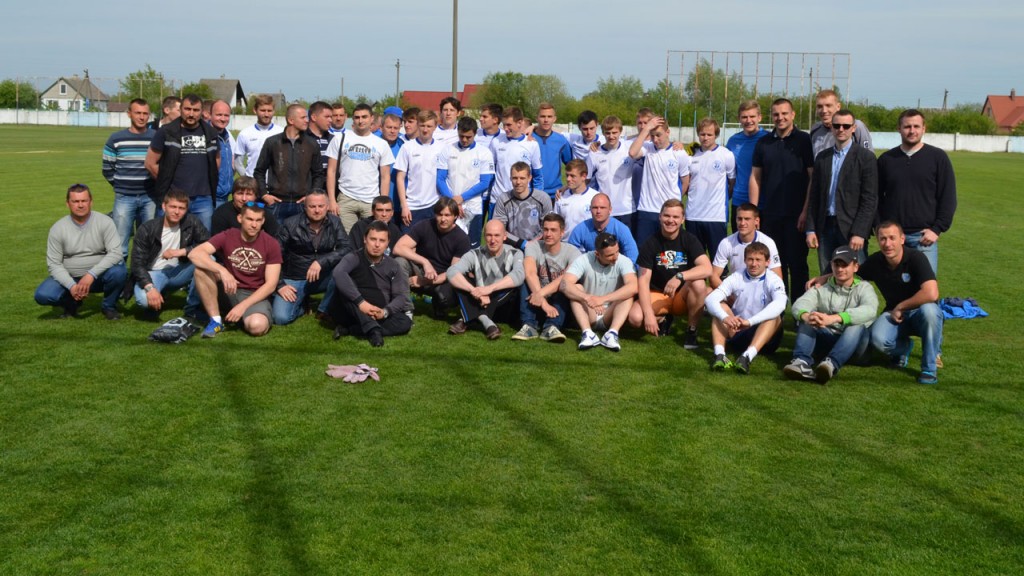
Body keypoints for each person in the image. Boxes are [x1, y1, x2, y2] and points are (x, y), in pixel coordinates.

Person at [851, 221, 943, 385]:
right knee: (878, 340)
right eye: (883, 239)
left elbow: (931, 293)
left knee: (931, 311)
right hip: (894, 314)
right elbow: (852, 275)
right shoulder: (876, 261)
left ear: (902, 239)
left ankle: (929, 368)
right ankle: (905, 347)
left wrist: (901, 307)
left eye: (892, 238)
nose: (887, 244)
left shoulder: (916, 257)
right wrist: (824, 278)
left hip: (920, 313)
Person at [876, 109, 957, 274]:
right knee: (895, 285)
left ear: (924, 128)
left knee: (926, 286)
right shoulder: (886, 159)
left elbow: (948, 197)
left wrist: (937, 229)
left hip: (923, 238)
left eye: (916, 126)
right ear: (899, 129)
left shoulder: (938, 158)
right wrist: (880, 228)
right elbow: (875, 197)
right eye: (907, 127)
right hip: (893, 238)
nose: (912, 131)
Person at [749, 98, 814, 301]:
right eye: (776, 114)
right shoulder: (764, 143)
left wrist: (805, 211)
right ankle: (776, 308)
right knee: (775, 264)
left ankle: (799, 309)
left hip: (797, 215)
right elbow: (755, 178)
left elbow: (812, 178)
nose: (780, 117)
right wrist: (754, 213)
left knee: (797, 264)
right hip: (770, 214)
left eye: (784, 113)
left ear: (793, 114)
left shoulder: (804, 140)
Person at [784, 245, 878, 384]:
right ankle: (801, 362)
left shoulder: (865, 288)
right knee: (809, 318)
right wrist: (807, 316)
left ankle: (831, 364)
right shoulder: (822, 287)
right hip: (828, 340)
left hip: (857, 348)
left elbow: (870, 310)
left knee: (856, 325)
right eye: (836, 264)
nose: (840, 269)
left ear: (855, 267)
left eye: (845, 265)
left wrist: (835, 318)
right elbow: (800, 304)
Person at [189, 201, 282, 338]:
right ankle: (216, 321)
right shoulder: (228, 235)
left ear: (263, 221)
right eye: (249, 219)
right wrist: (222, 271)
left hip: (254, 294)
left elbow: (271, 285)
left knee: (257, 326)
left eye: (258, 220)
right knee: (200, 271)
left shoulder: (271, 243)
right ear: (240, 218)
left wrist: (242, 306)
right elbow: (194, 254)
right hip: (229, 289)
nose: (254, 225)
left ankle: (243, 315)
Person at [628, 199, 712, 348]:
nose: (670, 220)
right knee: (635, 318)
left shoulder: (689, 239)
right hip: (659, 295)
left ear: (682, 219)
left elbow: (707, 268)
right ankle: (663, 319)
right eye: (667, 216)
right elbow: (643, 281)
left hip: (682, 296)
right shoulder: (650, 243)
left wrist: (680, 276)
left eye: (675, 217)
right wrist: (649, 315)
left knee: (699, 284)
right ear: (660, 217)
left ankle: (691, 331)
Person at [35, 184, 127, 320]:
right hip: (71, 276)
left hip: (99, 277)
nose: (80, 205)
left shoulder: (105, 222)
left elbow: (116, 253)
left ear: (91, 202)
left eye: (84, 201)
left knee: (119, 272)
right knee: (43, 295)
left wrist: (91, 274)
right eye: (75, 201)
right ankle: (71, 303)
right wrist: (71, 285)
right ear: (68, 204)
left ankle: (109, 307)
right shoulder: (58, 228)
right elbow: (54, 264)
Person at [806, 108, 878, 274]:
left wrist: (860, 232)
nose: (841, 129)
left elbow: (869, 199)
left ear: (853, 128)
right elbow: (814, 196)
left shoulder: (865, 157)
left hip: (851, 228)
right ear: (831, 127)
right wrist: (810, 229)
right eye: (837, 125)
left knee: (856, 276)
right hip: (825, 227)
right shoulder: (822, 157)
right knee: (827, 275)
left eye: (846, 126)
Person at [704, 242, 787, 373]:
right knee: (720, 307)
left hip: (766, 339)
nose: (753, 264)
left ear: (767, 262)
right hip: (738, 331)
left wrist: (749, 322)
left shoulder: (774, 280)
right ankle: (720, 355)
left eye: (758, 260)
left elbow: (780, 304)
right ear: (745, 260)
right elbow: (710, 299)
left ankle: (746, 357)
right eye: (750, 259)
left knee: (775, 316)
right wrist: (725, 318)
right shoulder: (737, 276)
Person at [272, 190, 350, 325]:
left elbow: (346, 247)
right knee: (281, 319)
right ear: (304, 207)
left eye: (321, 206)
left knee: (344, 269)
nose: (317, 210)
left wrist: (321, 262)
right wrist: (280, 285)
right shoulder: (290, 224)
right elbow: (274, 255)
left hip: (323, 276)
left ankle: (323, 310)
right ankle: (302, 304)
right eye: (312, 206)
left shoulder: (335, 222)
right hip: (295, 277)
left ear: (327, 206)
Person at [329, 220, 413, 346]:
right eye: (373, 239)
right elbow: (338, 273)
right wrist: (361, 303)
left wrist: (385, 312)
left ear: (388, 243)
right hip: (352, 310)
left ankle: (351, 330)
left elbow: (400, 296)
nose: (377, 245)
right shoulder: (354, 257)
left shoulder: (393, 265)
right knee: (344, 288)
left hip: (378, 312)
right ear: (365, 239)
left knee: (405, 322)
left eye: (382, 241)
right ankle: (373, 331)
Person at [145, 93, 220, 231]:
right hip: (173, 198)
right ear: (181, 110)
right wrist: (166, 182)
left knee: (203, 239)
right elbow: (150, 163)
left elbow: (216, 159)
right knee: (167, 238)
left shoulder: (211, 133)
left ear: (202, 112)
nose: (191, 114)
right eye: (187, 109)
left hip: (203, 199)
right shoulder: (166, 132)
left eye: (196, 110)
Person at [130, 188, 207, 317]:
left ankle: (192, 307)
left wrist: (182, 251)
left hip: (179, 271)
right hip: (154, 273)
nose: (177, 212)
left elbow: (207, 244)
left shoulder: (192, 221)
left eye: (181, 208)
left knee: (209, 259)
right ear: (164, 206)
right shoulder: (147, 228)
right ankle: (158, 294)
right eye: (173, 207)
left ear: (186, 209)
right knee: (144, 300)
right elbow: (136, 264)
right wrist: (150, 288)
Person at [392, 197, 471, 318]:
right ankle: (406, 308)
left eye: (447, 215)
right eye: (440, 214)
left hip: (443, 278)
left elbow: (454, 272)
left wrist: (424, 281)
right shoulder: (425, 226)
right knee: (399, 261)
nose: (443, 219)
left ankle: (438, 304)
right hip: (420, 270)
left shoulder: (462, 238)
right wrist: (425, 262)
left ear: (455, 216)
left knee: (443, 297)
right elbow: (398, 248)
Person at [446, 220, 525, 340]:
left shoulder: (515, 253)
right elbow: (451, 272)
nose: (493, 240)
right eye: (489, 235)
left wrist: (489, 289)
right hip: (479, 299)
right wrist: (474, 291)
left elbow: (519, 275)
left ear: (505, 236)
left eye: (497, 235)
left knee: (512, 284)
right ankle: (487, 323)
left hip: (503, 305)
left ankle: (465, 320)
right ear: (484, 236)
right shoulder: (474, 254)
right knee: (461, 281)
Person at [561, 232, 638, 352]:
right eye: (610, 255)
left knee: (627, 294)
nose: (615, 257)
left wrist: (601, 299)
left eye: (617, 252)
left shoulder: (624, 261)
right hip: (589, 310)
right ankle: (587, 333)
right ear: (597, 254)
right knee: (577, 288)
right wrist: (587, 298)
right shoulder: (584, 259)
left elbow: (633, 286)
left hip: (611, 313)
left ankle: (612, 333)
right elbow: (564, 284)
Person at [325, 102, 394, 231]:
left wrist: (382, 203)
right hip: (346, 197)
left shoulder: (381, 144)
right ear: (352, 119)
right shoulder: (340, 138)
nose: (360, 121)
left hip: (371, 200)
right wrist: (332, 200)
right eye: (357, 117)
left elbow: (385, 177)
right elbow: (331, 171)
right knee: (345, 239)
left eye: (364, 117)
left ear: (372, 118)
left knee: (371, 237)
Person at [254, 104, 327, 223]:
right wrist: (264, 195)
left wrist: (311, 196)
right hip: (277, 203)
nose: (307, 120)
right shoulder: (273, 142)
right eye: (303, 117)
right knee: (276, 235)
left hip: (302, 204)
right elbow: (259, 171)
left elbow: (318, 174)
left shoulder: (311, 144)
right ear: (291, 120)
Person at [514, 213, 580, 343]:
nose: (548, 234)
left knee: (565, 285)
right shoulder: (534, 246)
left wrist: (540, 295)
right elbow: (530, 273)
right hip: (536, 300)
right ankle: (528, 325)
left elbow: (565, 278)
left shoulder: (573, 252)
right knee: (525, 281)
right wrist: (543, 303)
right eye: (546, 229)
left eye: (553, 230)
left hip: (557, 304)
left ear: (562, 233)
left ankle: (552, 327)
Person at [103, 97, 156, 258]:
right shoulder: (116, 138)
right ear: (129, 114)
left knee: (148, 242)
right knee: (120, 245)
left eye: (145, 113)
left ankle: (142, 273)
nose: (141, 117)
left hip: (150, 197)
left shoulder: (156, 137)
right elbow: (107, 168)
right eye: (138, 113)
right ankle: (119, 273)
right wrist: (121, 185)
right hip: (124, 197)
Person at [629, 116, 691, 245]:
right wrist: (647, 128)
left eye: (658, 135)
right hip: (647, 210)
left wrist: (675, 202)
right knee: (644, 250)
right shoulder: (647, 148)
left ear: (667, 132)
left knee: (670, 250)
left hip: (670, 212)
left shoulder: (679, 153)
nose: (655, 139)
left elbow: (685, 181)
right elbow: (632, 153)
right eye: (652, 136)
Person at [437, 116, 495, 248]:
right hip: (450, 207)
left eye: (468, 137)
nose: (464, 140)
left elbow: (485, 182)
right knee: (449, 245)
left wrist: (462, 198)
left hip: (473, 207)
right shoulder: (447, 150)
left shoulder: (484, 153)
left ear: (475, 134)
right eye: (461, 136)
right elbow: (440, 179)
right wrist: (453, 202)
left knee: (472, 247)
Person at [686, 118, 736, 258]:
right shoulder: (691, 155)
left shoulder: (726, 154)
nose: (705, 138)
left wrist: (721, 199)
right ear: (698, 134)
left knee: (718, 259)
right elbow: (686, 182)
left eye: (709, 134)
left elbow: (732, 183)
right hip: (692, 215)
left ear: (716, 135)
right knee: (694, 259)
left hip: (716, 216)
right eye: (702, 134)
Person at [710, 203, 782, 289]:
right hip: (736, 290)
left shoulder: (768, 242)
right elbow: (713, 277)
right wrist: (729, 293)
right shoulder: (726, 243)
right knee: (708, 291)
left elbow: (777, 277)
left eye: (747, 219)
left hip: (761, 290)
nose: (742, 223)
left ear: (756, 221)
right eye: (739, 219)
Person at [394, 110, 445, 228]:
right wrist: (404, 206)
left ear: (435, 127)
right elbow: (400, 178)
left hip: (434, 205)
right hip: (412, 206)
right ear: (418, 125)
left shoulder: (442, 148)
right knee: (407, 240)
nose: (425, 129)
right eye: (422, 125)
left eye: (429, 126)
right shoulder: (407, 147)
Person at [726, 100, 769, 232]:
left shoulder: (769, 139)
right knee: (739, 242)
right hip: (739, 201)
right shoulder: (733, 141)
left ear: (759, 117)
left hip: (764, 203)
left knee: (761, 243)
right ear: (739, 119)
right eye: (744, 117)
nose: (748, 120)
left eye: (752, 116)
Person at [586, 115, 636, 229]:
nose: (611, 136)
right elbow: (585, 179)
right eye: (608, 133)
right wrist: (566, 188)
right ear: (603, 133)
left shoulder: (629, 147)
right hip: (605, 210)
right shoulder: (594, 153)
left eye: (614, 132)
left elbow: (649, 140)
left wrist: (674, 143)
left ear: (620, 132)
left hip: (627, 209)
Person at [489, 106, 543, 209]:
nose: (505, 128)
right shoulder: (496, 142)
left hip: (522, 201)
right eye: (504, 125)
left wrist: (536, 199)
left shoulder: (532, 144)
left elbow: (538, 176)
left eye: (509, 125)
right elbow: (491, 172)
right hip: (497, 200)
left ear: (519, 123)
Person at [493, 161, 553, 250]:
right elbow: (499, 229)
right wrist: (523, 244)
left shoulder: (543, 198)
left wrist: (532, 244)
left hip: (538, 246)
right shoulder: (503, 199)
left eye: (522, 178)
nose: (518, 182)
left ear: (529, 178)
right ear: (510, 178)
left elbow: (548, 227)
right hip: (512, 247)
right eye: (515, 178)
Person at [567, 193, 639, 263]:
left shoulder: (621, 229)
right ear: (590, 209)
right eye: (595, 207)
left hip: (615, 265)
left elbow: (633, 257)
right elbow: (569, 254)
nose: (598, 211)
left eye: (602, 208)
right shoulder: (580, 229)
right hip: (590, 267)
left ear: (610, 210)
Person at [808, 89, 873, 158]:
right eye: (819, 106)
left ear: (838, 107)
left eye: (828, 105)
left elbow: (868, 158)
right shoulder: (815, 129)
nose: (824, 110)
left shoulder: (855, 126)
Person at [211, 176, 281, 237]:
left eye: (248, 194)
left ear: (255, 196)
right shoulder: (221, 214)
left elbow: (275, 236)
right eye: (240, 193)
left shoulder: (262, 212)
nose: (244, 199)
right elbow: (216, 243)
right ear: (233, 195)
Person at [234, 94, 283, 177]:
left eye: (269, 111)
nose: (266, 114)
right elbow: (238, 163)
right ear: (255, 110)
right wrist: (248, 180)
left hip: (275, 183)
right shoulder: (245, 134)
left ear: (274, 111)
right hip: (254, 182)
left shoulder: (281, 132)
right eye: (263, 110)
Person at [533, 102, 572, 199]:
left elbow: (571, 165)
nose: (546, 120)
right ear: (536, 118)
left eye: (549, 116)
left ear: (554, 119)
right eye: (542, 116)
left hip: (555, 194)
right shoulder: (528, 139)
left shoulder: (561, 140)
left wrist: (567, 185)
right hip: (532, 192)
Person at [553, 159, 597, 240]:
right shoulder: (560, 196)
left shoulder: (595, 197)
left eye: (572, 176)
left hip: (587, 244)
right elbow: (555, 222)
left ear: (584, 176)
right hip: (566, 244)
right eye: (567, 175)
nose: (568, 179)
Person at [209, 100, 236, 208]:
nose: (223, 119)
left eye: (226, 115)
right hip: (210, 197)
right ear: (210, 114)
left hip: (225, 196)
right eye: (219, 115)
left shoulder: (227, 136)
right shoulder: (205, 135)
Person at [305, 100, 335, 172]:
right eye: (327, 117)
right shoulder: (302, 138)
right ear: (314, 117)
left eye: (331, 117)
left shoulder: (332, 139)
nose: (330, 120)